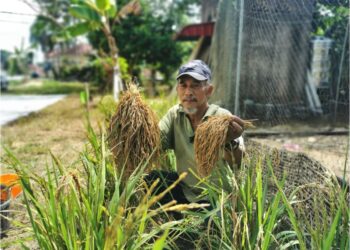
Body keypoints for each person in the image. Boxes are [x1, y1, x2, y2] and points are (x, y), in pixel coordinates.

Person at [145, 60, 246, 209]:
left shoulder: (222, 118)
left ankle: (193, 222)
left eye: (195, 85)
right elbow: (154, 145)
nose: (188, 92)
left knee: (209, 223)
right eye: (183, 85)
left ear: (209, 90)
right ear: (178, 89)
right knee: (153, 180)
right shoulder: (174, 115)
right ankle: (180, 215)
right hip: (185, 191)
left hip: (216, 196)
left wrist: (229, 142)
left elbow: (238, 162)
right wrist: (136, 127)